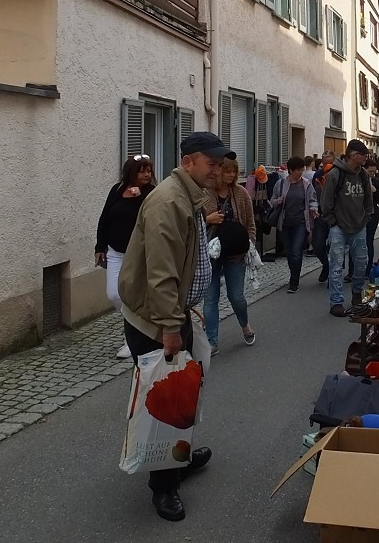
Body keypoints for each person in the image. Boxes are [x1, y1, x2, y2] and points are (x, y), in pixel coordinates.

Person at [118, 131, 231, 522]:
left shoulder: (189, 195)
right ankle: (164, 487)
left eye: (220, 164)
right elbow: (161, 274)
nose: (218, 170)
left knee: (183, 391)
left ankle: (177, 457)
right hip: (156, 319)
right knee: (166, 402)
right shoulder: (169, 201)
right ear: (188, 162)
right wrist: (169, 326)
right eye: (211, 164)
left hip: (174, 313)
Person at [95, 154, 156, 358]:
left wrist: (140, 198)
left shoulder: (151, 194)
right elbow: (105, 218)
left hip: (139, 255)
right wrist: (100, 246)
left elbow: (153, 219)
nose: (147, 174)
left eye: (149, 171)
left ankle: (132, 339)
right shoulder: (117, 190)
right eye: (142, 171)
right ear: (131, 172)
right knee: (114, 294)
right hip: (115, 252)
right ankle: (139, 327)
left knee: (134, 295)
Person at [202, 157, 256, 354]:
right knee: (210, 299)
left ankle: (245, 325)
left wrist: (247, 246)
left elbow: (250, 223)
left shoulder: (241, 193)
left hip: (235, 254)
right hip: (210, 255)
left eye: (234, 171)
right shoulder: (204, 193)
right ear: (218, 171)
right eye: (227, 171)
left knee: (236, 296)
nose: (231, 175)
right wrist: (209, 219)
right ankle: (211, 341)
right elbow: (191, 221)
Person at [320, 139, 373, 316]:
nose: (365, 158)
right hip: (338, 227)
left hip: (359, 225)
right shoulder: (335, 174)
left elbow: (368, 200)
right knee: (336, 265)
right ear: (352, 155)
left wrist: (366, 217)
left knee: (361, 262)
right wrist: (332, 222)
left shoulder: (363, 174)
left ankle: (356, 293)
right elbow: (325, 202)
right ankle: (336, 302)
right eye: (362, 155)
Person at [269, 155, 318, 293]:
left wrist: (313, 209)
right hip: (284, 223)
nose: (300, 173)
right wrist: (278, 200)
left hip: (300, 222)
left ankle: (294, 281)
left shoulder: (306, 184)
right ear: (290, 170)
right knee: (290, 252)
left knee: (296, 252)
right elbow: (271, 200)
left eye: (301, 170)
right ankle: (293, 274)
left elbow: (312, 199)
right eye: (298, 170)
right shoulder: (281, 184)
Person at [311, 150, 336, 282]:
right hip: (321, 214)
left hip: (336, 214)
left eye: (329, 156)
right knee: (318, 244)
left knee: (336, 245)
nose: (326, 158)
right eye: (324, 157)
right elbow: (313, 192)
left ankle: (335, 270)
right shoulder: (318, 174)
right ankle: (326, 265)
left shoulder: (338, 173)